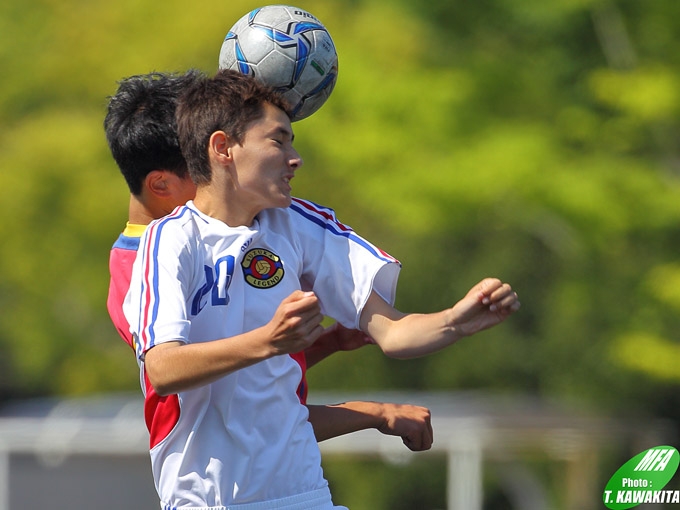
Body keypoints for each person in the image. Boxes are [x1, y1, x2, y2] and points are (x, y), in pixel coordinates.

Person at [121, 68, 519, 510]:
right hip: (210, 502)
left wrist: (455, 321)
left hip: (305, 494)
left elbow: (393, 332)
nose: (295, 158)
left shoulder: (298, 224)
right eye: (278, 140)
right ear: (222, 148)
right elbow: (162, 368)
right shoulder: (169, 241)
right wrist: (268, 341)